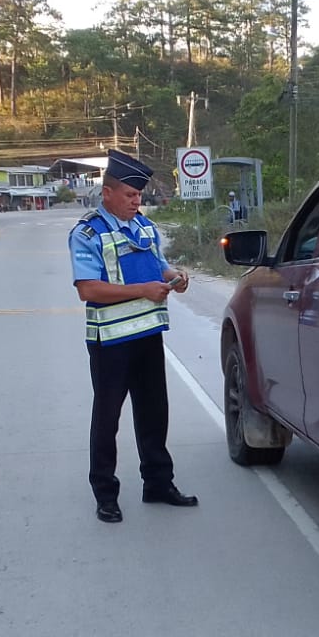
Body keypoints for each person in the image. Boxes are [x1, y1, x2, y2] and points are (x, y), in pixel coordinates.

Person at [69, 149, 196, 523]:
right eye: (129, 195)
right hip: (109, 342)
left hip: (147, 337)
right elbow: (88, 289)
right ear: (107, 193)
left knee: (155, 412)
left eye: (139, 196)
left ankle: (158, 482)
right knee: (108, 418)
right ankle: (105, 493)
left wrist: (177, 277)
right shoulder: (88, 233)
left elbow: (159, 265)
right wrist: (143, 290)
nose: (136, 201)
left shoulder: (144, 227)